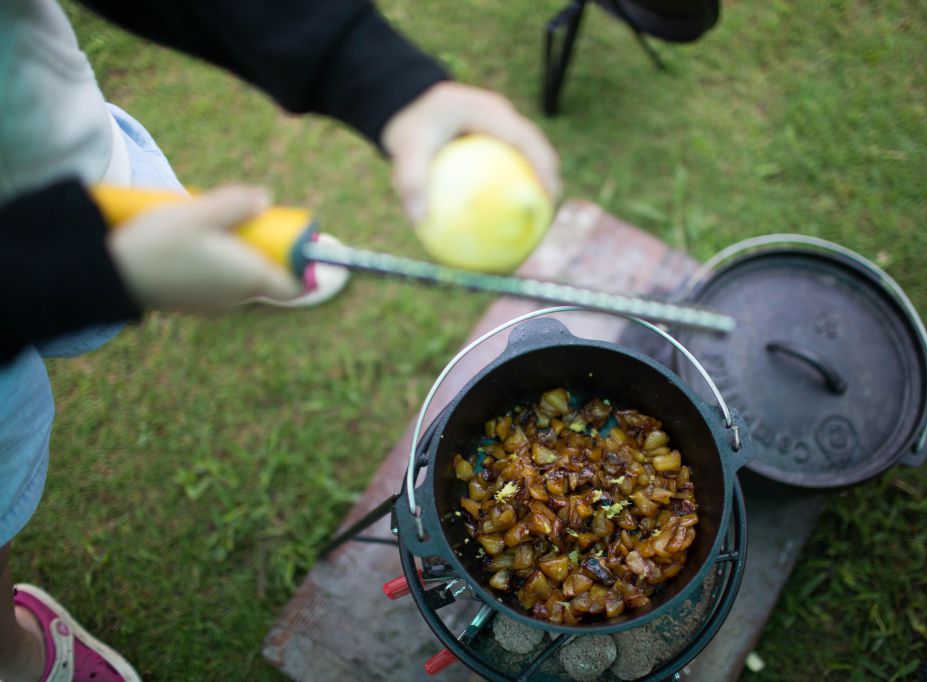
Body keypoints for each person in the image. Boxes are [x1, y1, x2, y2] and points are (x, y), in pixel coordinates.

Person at [0, 1, 561, 680]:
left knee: (175, 218)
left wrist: (380, 74)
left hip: (66, 146)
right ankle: (17, 656)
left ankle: (241, 264)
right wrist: (80, 268)